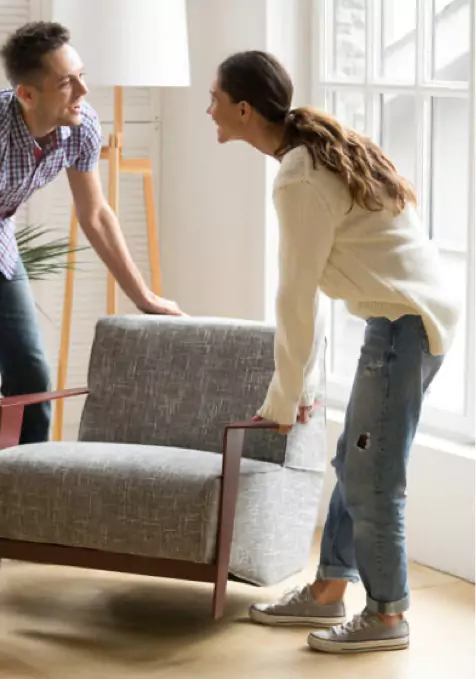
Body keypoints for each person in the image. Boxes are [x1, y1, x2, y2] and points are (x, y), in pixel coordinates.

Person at [207, 50, 459, 654]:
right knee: (355, 462)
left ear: (244, 109)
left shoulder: (298, 176)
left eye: (214, 98)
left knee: (374, 479)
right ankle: (327, 590)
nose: (207, 108)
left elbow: (296, 296)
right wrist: (296, 385)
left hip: (405, 325)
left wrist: (285, 396)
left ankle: (387, 614)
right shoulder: (307, 157)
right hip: (399, 321)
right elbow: (314, 289)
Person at [0, 22, 184, 445]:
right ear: (27, 94)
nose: (83, 90)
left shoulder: (81, 127)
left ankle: (27, 492)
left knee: (31, 376)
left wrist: (145, 297)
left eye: (81, 75)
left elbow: (96, 213)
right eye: (67, 82)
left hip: (2, 245)